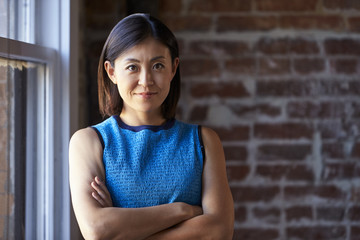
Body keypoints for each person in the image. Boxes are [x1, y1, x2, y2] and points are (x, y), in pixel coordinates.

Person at [69, 13, 234, 240]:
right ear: (111, 72)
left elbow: (219, 231)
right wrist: (182, 210)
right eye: (132, 67)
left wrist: (124, 230)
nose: (146, 80)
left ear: (173, 69)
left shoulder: (204, 141)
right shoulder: (89, 142)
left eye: (157, 65)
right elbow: (97, 231)